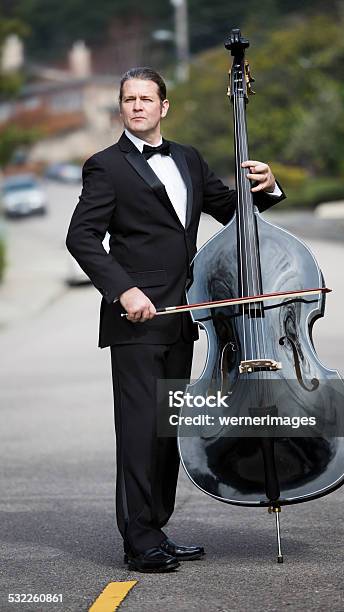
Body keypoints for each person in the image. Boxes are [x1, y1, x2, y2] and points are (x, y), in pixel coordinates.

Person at [66, 67, 286, 573]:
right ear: (121, 108)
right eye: (128, 99)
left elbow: (235, 213)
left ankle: (156, 529)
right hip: (137, 322)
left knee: (167, 431)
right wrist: (124, 290)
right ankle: (138, 541)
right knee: (140, 432)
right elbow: (82, 237)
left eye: (147, 98)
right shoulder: (106, 166)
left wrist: (269, 187)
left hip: (184, 318)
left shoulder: (187, 159)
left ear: (164, 107)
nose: (138, 106)